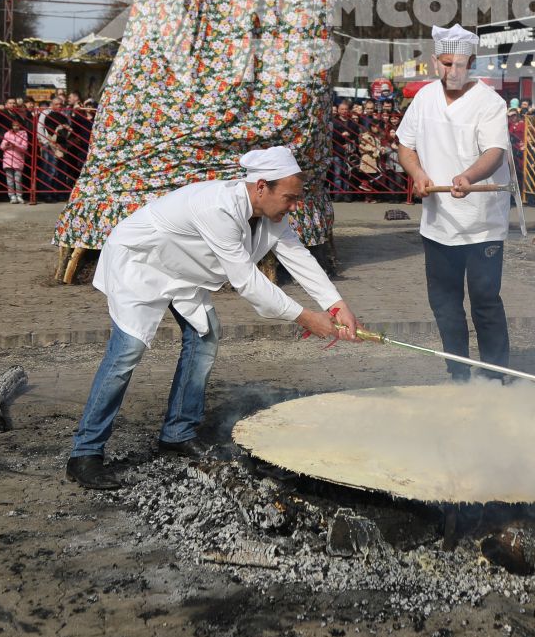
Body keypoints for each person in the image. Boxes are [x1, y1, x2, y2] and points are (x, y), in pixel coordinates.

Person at [66, 147, 358, 488]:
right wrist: (306, 318)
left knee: (205, 337)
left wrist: (337, 305)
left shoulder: (271, 215)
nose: (294, 206)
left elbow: (297, 256)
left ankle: (177, 432)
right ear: (261, 186)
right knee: (127, 351)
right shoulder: (217, 207)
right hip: (141, 264)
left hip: (181, 271)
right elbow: (246, 281)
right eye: (290, 198)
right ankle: (85, 454)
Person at [395, 25, 512, 382]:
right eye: (446, 64)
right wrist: (417, 174)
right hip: (438, 221)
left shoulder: (490, 103)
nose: (452, 72)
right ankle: (458, 374)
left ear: (472, 63)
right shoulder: (424, 98)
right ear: (435, 62)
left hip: (482, 223)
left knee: (485, 300)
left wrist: (469, 177)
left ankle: (494, 376)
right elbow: (405, 146)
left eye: (459, 65)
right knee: (445, 304)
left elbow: (494, 152)